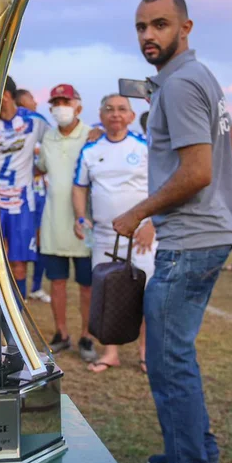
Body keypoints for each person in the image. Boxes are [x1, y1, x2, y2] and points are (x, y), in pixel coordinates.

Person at [111, 0, 232, 463]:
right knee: (174, 355)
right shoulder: (193, 77)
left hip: (191, 238)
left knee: (167, 361)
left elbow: (196, 172)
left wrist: (136, 213)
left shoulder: (183, 83)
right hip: (205, 233)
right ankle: (197, 457)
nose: (148, 35)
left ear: (186, 27)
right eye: (141, 26)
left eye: (160, 25)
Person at [75, 94, 155, 375]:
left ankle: (146, 354)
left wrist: (151, 223)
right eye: (109, 109)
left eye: (122, 109)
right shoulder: (90, 150)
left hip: (142, 236)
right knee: (107, 293)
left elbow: (164, 186)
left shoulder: (145, 148)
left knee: (146, 293)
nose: (115, 114)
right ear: (101, 114)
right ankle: (110, 353)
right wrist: (81, 218)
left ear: (132, 116)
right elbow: (79, 186)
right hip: (104, 237)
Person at [36, 84, 93, 357]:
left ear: (78, 106)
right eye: (56, 102)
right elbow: (42, 168)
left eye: (65, 101)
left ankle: (87, 336)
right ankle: (62, 333)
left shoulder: (92, 136)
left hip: (84, 222)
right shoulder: (48, 137)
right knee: (56, 282)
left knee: (88, 284)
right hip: (53, 222)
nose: (61, 107)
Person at [0, 77, 50, 298]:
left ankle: (17, 312)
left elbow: (57, 143)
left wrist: (40, 168)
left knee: (19, 263)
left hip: (22, 201)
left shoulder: (34, 121)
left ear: (5, 95)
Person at [16, 88, 51, 303]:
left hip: (37, 190)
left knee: (35, 241)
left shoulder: (38, 125)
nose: (36, 102)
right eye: (31, 98)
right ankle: (27, 288)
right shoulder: (26, 122)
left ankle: (33, 287)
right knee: (30, 241)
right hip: (26, 193)